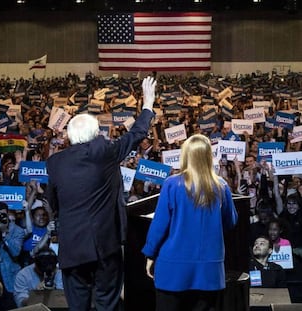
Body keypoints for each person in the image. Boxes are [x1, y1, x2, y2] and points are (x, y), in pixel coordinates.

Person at [45, 76, 156, 311]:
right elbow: (136, 135)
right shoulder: (103, 152)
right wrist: (148, 104)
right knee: (108, 304)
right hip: (104, 247)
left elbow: (52, 202)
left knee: (78, 307)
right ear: (96, 135)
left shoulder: (54, 163)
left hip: (72, 248)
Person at [142, 134, 238, 311]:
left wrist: (150, 253)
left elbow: (159, 225)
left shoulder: (172, 184)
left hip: (173, 268)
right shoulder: (221, 186)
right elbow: (230, 222)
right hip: (209, 271)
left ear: (186, 155)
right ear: (209, 156)